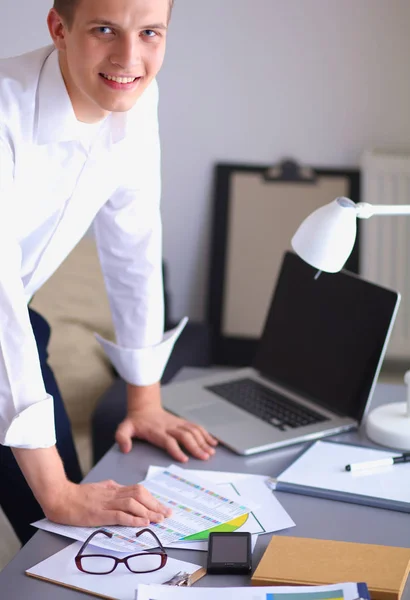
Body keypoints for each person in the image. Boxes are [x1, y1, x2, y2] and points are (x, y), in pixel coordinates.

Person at [0, 0, 217, 546]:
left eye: (150, 33)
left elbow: (135, 245)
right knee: (58, 516)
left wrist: (144, 400)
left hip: (18, 321)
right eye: (104, 30)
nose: (129, 57)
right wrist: (58, 492)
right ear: (59, 28)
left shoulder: (134, 97)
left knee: (74, 538)